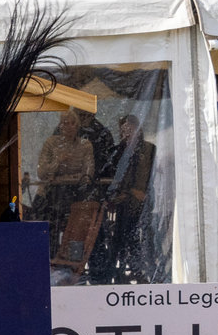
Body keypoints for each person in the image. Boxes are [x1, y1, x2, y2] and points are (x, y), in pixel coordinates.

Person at [100, 114, 156, 282]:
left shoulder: (148, 149)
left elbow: (147, 177)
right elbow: (111, 178)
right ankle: (121, 270)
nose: (127, 132)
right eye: (123, 129)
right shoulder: (116, 152)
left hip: (142, 202)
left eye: (130, 128)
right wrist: (121, 193)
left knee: (134, 234)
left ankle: (139, 269)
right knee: (120, 234)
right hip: (122, 203)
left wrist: (133, 192)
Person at [35, 109, 95, 258]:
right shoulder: (51, 143)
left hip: (74, 195)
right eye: (65, 123)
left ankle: (73, 261)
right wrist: (58, 161)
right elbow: (41, 172)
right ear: (60, 126)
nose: (69, 127)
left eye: (72, 123)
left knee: (79, 225)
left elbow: (88, 172)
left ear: (78, 126)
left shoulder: (85, 145)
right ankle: (48, 257)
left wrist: (69, 178)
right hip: (50, 195)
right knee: (45, 220)